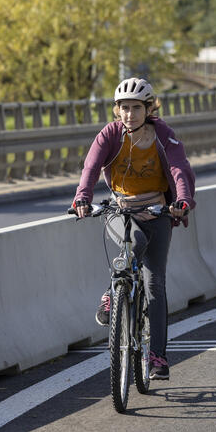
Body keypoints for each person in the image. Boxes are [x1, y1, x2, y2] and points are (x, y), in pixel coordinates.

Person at [71, 77, 195, 380]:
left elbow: (179, 167)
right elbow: (90, 167)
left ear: (149, 108)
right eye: (124, 108)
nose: (130, 114)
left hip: (158, 209)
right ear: (117, 110)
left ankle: (157, 358)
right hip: (120, 208)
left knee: (155, 285)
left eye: (136, 108)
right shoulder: (110, 135)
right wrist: (82, 198)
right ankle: (112, 294)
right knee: (135, 240)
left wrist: (182, 200)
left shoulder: (163, 134)